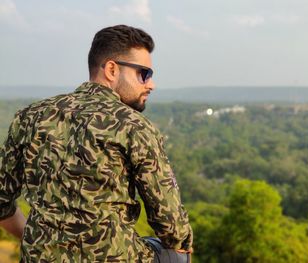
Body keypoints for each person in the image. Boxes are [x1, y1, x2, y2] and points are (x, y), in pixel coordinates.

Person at [0, 25, 193, 262]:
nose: (151, 84)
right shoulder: (134, 126)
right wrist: (180, 244)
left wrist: (35, 239)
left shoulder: (30, 117)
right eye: (144, 73)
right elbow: (172, 226)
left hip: (39, 257)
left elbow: (1, 201)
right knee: (176, 254)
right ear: (112, 69)